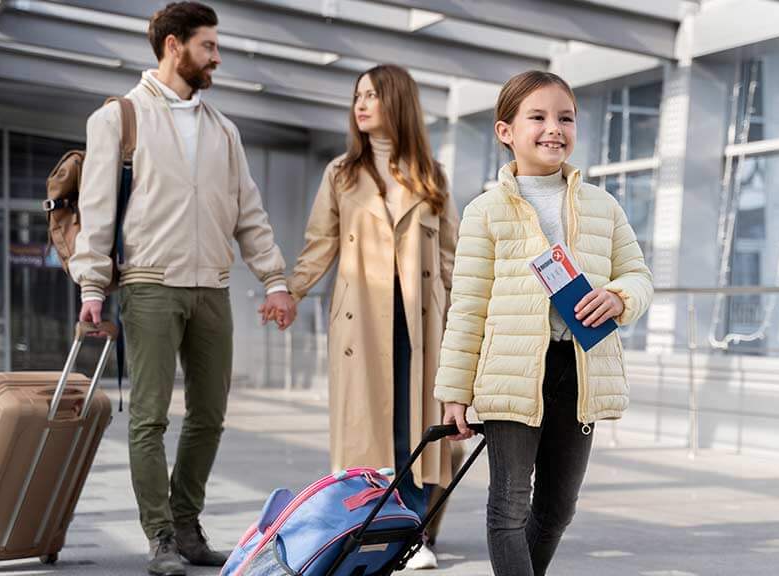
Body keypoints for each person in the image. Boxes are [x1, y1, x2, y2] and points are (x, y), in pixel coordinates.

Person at [70, 3, 296, 574]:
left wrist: (274, 279)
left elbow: (249, 212)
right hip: (149, 285)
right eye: (209, 46)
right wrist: (93, 287)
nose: (217, 56)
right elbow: (96, 211)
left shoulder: (224, 130)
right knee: (149, 418)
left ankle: (189, 525)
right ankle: (161, 538)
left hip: (212, 288)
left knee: (210, 415)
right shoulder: (118, 119)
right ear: (175, 46)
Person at [434, 70, 653, 576]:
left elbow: (638, 275)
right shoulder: (484, 213)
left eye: (565, 118)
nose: (554, 128)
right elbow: (466, 307)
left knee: (558, 509)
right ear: (505, 131)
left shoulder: (603, 205)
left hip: (580, 369)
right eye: (538, 117)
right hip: (510, 373)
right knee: (508, 507)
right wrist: (454, 392)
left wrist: (619, 298)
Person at [264, 64, 458, 569]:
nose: (361, 104)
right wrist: (290, 290)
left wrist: (467, 328)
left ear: (397, 102)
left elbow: (452, 258)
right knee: (366, 432)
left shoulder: (432, 175)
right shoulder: (341, 173)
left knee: (417, 429)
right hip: (360, 321)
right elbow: (319, 244)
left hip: (421, 324)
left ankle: (414, 534)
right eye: (358, 96)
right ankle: (370, 529)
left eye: (372, 94)